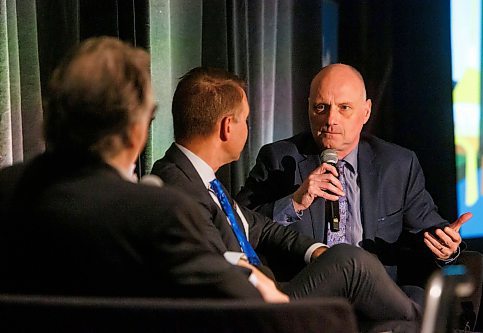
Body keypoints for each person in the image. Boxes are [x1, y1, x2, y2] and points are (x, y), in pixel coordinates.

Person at [0, 36, 278, 301]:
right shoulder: (158, 214)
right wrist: (254, 279)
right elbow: (252, 308)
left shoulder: (7, 190)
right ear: (136, 132)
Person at [151, 66, 422, 327]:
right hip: (251, 308)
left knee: (402, 316)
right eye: (245, 120)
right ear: (227, 128)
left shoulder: (201, 180)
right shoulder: (179, 187)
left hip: (262, 297)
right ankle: (429, 322)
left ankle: (423, 322)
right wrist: (262, 286)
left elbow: (260, 227)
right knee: (350, 263)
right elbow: (211, 267)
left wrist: (315, 251)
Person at [235, 63, 471, 293]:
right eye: (321, 107)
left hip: (374, 295)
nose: (330, 120)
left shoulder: (397, 165)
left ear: (366, 111)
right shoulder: (279, 159)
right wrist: (295, 202)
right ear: (308, 108)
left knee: (415, 301)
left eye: (344, 108)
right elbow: (236, 226)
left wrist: (446, 247)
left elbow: (429, 228)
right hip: (306, 294)